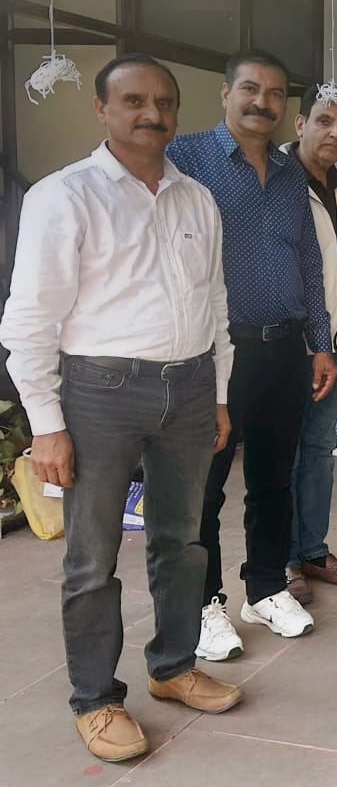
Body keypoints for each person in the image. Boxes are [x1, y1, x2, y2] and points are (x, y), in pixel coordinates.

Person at [0, 54, 242, 762]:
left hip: (190, 388)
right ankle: (96, 699)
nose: (151, 114)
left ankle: (173, 666)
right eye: (133, 100)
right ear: (102, 110)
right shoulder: (64, 196)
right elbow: (30, 317)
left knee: (183, 541)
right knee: (92, 555)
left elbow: (215, 303)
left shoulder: (196, 199)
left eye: (163, 102)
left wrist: (219, 394)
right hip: (99, 393)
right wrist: (47, 423)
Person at [168, 49, 336, 658]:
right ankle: (204, 603)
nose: (262, 102)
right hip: (216, 352)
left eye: (274, 93)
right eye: (249, 89)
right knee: (206, 486)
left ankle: (264, 587)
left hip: (284, 349)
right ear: (225, 93)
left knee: (272, 480)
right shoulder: (184, 158)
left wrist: (320, 342)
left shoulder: (292, 173)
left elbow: (309, 261)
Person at [279, 86, 337, 605]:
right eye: (323, 121)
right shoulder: (277, 180)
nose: (335, 133)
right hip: (291, 348)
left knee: (317, 452)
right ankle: (282, 561)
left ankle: (312, 550)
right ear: (300, 124)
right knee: (284, 458)